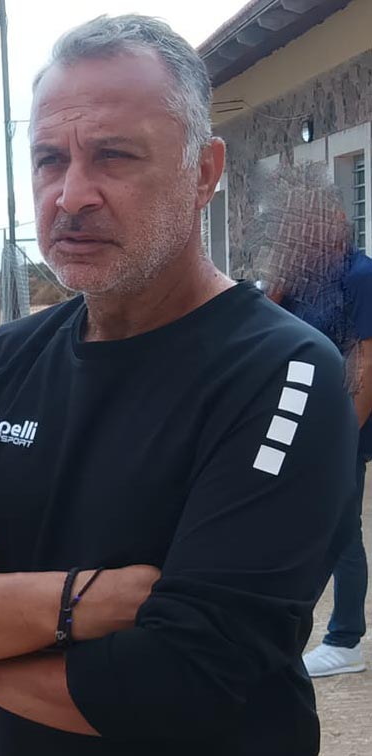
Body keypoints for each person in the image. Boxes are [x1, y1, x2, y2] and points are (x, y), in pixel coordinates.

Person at [0, 15, 359, 756]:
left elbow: (184, 679)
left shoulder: (282, 372)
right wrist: (79, 603)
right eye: (49, 159)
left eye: (113, 155)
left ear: (204, 172)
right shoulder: (2, 362)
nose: (71, 194)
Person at [253, 162, 372, 677]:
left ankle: (345, 639)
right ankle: (277, 625)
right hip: (295, 418)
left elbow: (367, 360)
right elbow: (259, 325)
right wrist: (278, 282)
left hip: (342, 425)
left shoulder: (360, 276)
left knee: (340, 528)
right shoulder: (304, 277)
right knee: (290, 521)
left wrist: (344, 434)